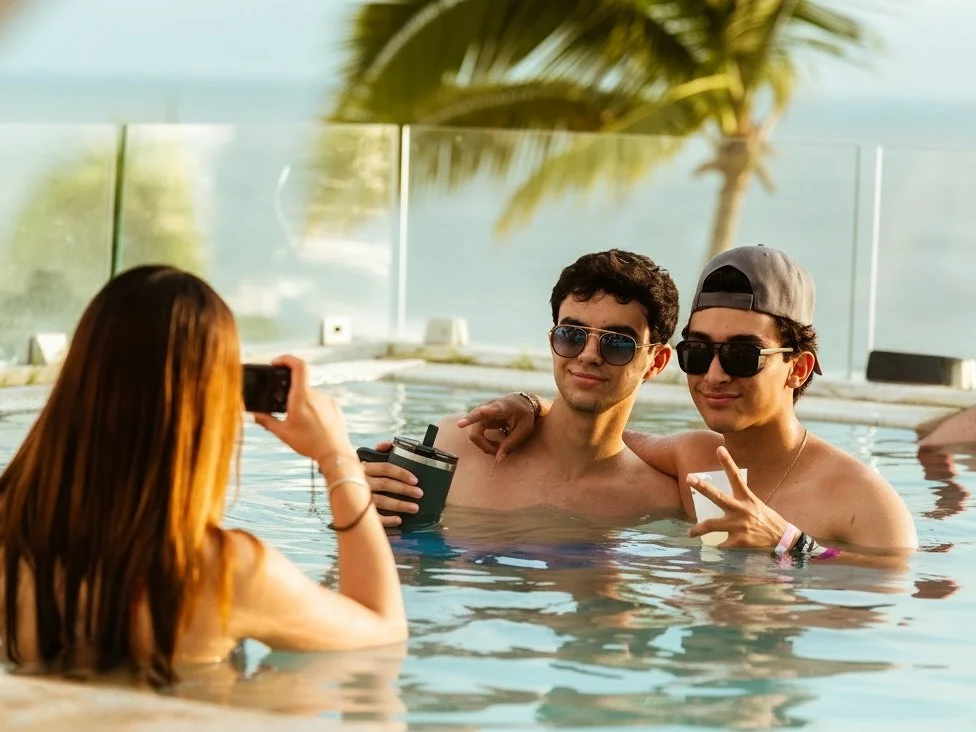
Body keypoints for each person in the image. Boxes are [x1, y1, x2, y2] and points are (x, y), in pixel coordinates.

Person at [0, 265, 406, 686]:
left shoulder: (10, 538)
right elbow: (384, 631)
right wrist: (336, 458)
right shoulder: (225, 574)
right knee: (298, 690)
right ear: (208, 409)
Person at [460, 245, 918, 559]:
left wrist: (790, 544)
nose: (714, 375)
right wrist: (530, 405)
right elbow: (594, 433)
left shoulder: (864, 499)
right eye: (698, 353)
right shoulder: (691, 458)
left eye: (742, 355)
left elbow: (893, 590)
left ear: (797, 368)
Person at [363, 249, 683, 526]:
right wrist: (356, 502)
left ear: (656, 362)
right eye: (571, 335)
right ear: (552, 340)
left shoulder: (661, 499)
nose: (588, 355)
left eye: (616, 343)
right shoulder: (456, 447)